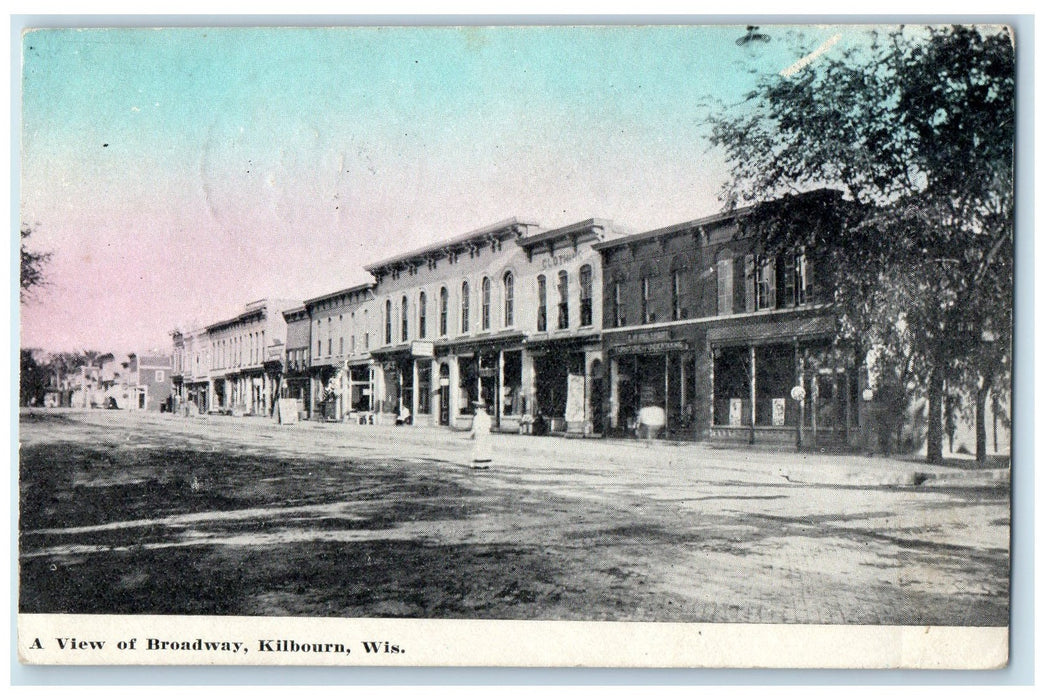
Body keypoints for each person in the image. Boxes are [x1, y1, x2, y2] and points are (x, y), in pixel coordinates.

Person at [470, 401, 493, 469]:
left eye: (477, 409)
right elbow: (489, 426)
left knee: (478, 448)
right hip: (486, 434)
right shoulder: (487, 416)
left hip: (479, 434)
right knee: (485, 448)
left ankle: (478, 464)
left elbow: (475, 426)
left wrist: (472, 433)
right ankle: (486, 464)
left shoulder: (477, 417)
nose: (475, 410)